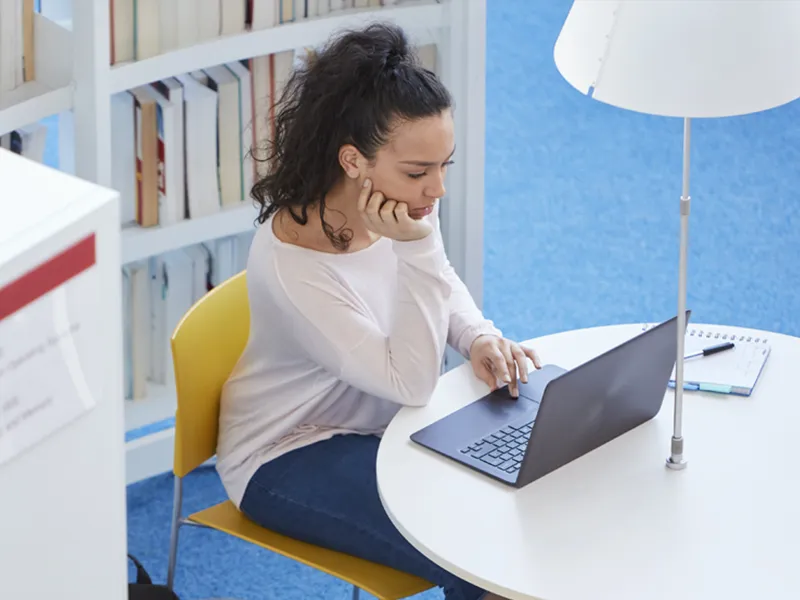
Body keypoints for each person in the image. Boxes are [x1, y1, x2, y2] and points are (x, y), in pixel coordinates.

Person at [216, 22, 541, 600]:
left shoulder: (399, 204)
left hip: (382, 425)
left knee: (517, 494)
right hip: (288, 450)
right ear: (353, 161)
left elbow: (437, 280)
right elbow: (411, 382)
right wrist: (418, 247)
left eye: (446, 166)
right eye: (419, 172)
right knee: (470, 550)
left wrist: (477, 337)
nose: (436, 189)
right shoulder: (297, 266)